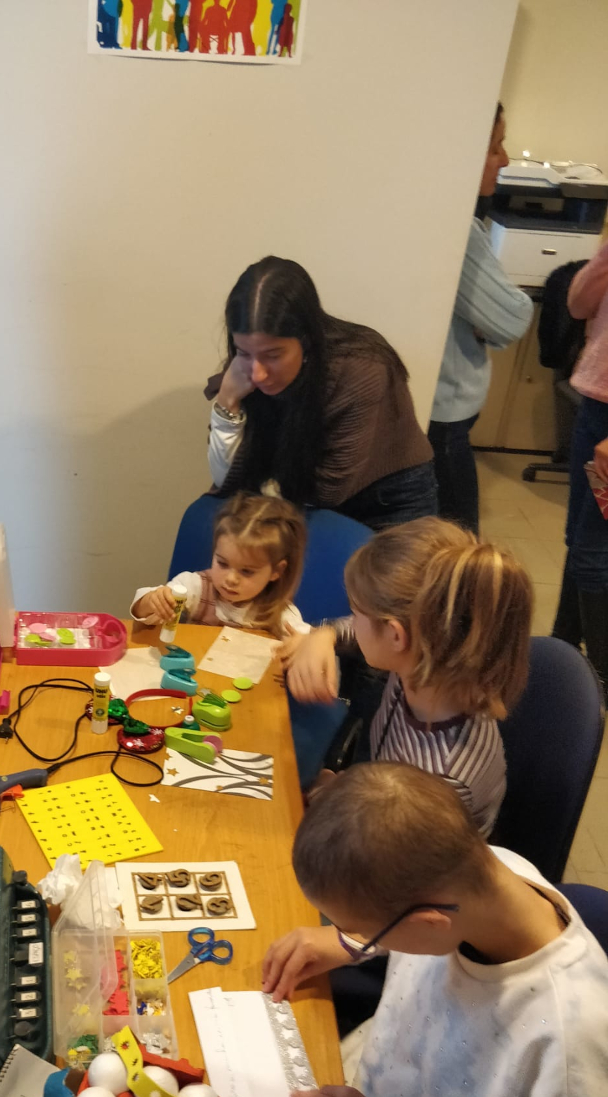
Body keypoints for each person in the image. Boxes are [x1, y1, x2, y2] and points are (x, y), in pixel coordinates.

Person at [261, 763, 608, 1097]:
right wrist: (349, 943)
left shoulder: (566, 1052)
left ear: (429, 925)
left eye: (360, 930)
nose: (354, 940)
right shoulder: (489, 872)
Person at [280, 517, 532, 834]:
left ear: (397, 636)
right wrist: (323, 635)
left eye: (357, 614)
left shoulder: (443, 779)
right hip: (375, 807)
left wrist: (347, 801)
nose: (352, 622)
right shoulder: (426, 664)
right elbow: (363, 634)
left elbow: (398, 874)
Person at [207, 257, 436, 531]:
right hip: (298, 498)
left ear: (306, 340)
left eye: (273, 355)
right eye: (243, 352)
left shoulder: (361, 369)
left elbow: (327, 492)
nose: (257, 374)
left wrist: (262, 486)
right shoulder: (244, 370)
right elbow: (229, 481)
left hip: (389, 501)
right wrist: (226, 402)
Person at [428, 103, 533, 533]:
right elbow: (511, 319)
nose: (505, 160)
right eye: (496, 146)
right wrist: (488, 318)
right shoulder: (456, 230)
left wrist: (483, 317)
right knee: (458, 550)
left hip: (436, 417)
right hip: (443, 425)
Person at [552, 237, 608, 691]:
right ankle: (561, 652)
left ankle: (600, 683)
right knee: (578, 540)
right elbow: (577, 305)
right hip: (596, 407)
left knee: (593, 554)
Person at [132, 492, 307, 636]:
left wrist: (302, 648)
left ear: (276, 571)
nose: (231, 579)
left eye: (246, 571)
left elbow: (309, 647)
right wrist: (151, 602)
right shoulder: (195, 587)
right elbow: (144, 614)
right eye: (222, 563)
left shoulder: (282, 615)